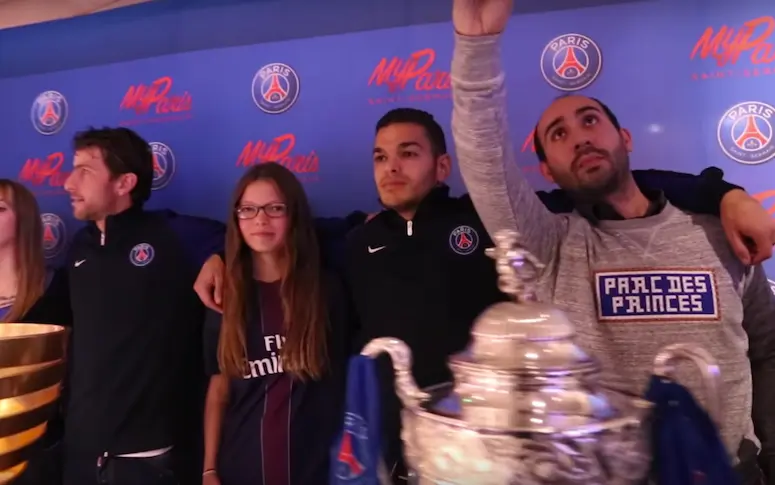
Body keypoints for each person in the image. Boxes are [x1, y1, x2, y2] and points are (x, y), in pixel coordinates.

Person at [196, 108, 775, 484]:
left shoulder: (496, 221)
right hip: (403, 456)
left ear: (442, 164)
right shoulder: (356, 239)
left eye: (408, 153)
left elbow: (606, 183)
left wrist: (718, 191)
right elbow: (279, 227)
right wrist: (220, 252)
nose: (391, 167)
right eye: (380, 156)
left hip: (498, 456)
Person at [448, 1, 775, 483]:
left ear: (623, 136)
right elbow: (487, 166)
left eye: (589, 120)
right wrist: (476, 46)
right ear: (547, 170)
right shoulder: (551, 246)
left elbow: (767, 350)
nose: (579, 138)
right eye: (558, 134)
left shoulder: (720, 234)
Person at [61, 127, 226, 485]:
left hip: (147, 459)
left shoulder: (173, 235)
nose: (68, 184)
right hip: (80, 456)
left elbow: (251, 236)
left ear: (124, 183)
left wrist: (219, 257)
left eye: (84, 171)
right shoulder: (78, 248)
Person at [201, 163, 350, 485]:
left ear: (293, 214)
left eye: (275, 208)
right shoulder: (224, 295)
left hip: (315, 469)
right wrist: (209, 468)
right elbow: (219, 388)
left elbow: (343, 383)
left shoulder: (326, 290)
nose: (260, 220)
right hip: (240, 467)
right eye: (248, 210)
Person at [0, 179, 71, 485]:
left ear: (25, 221)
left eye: (0, 209)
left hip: (33, 452)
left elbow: (67, 374)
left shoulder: (56, 290)